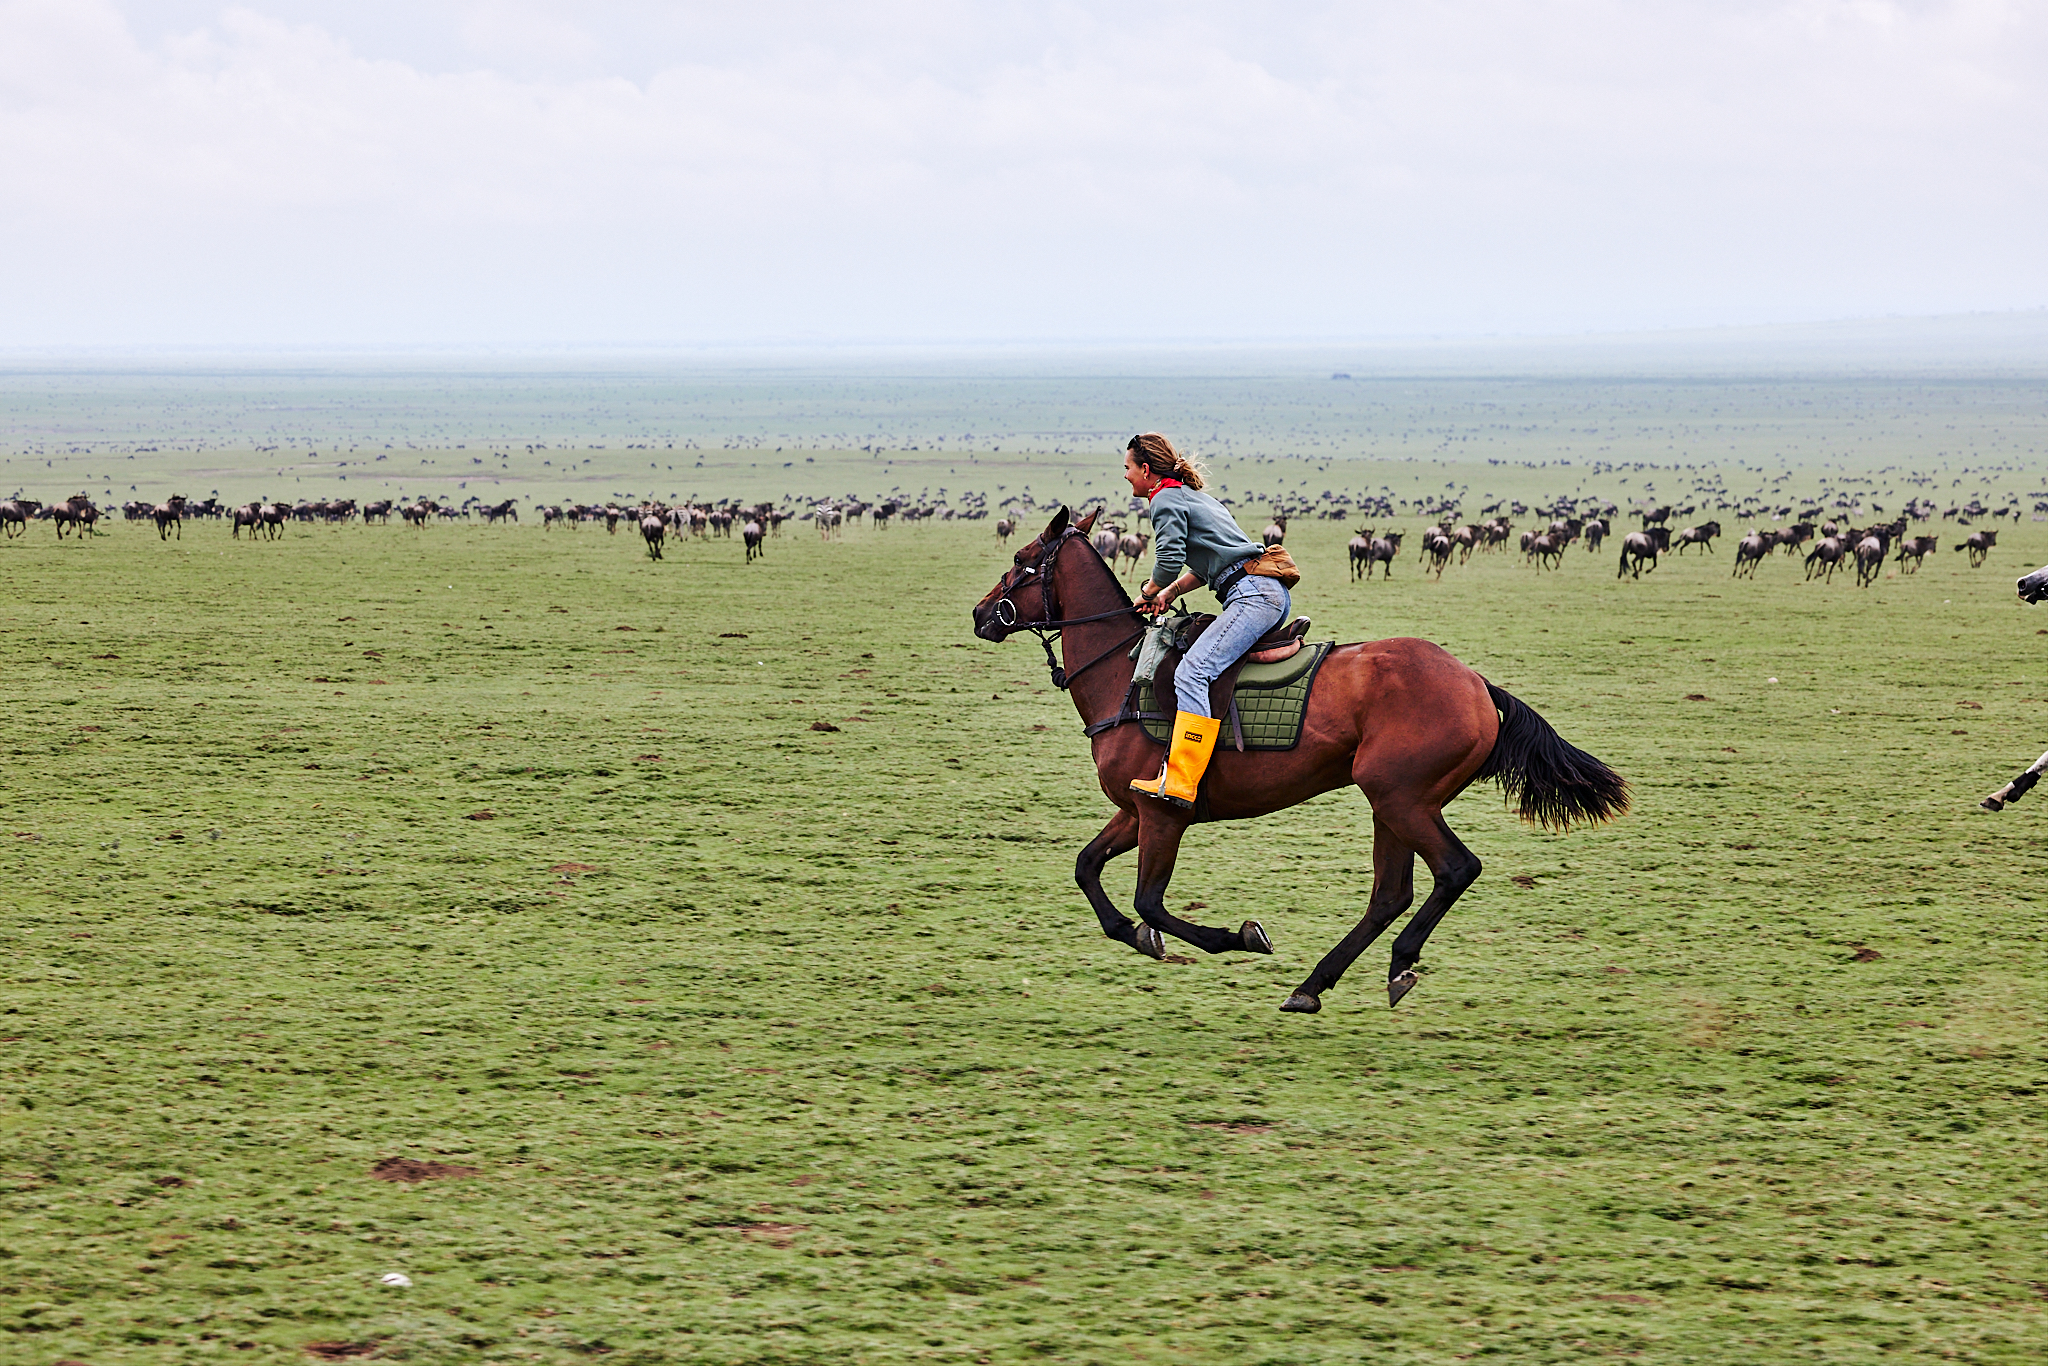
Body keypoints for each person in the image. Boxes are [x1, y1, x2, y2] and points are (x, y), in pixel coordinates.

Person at [1124, 432, 1291, 807]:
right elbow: (1208, 565)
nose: (1126, 476)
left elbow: (1168, 560)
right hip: (1265, 592)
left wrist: (1150, 591)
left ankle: (1182, 781)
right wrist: (1170, 594)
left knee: (1191, 672)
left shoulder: (1164, 498)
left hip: (1251, 596)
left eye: (1128, 468)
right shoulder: (1193, 496)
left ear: (1146, 470)